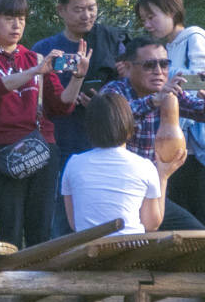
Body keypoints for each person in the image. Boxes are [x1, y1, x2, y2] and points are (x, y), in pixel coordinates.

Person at [0, 0, 83, 247]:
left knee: (41, 229)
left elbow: (62, 105)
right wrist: (34, 72)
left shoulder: (35, 58)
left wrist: (78, 77)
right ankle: (9, 286)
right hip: (3, 151)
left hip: (42, 147)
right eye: (9, 17)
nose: (17, 24)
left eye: (21, 18)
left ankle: (39, 286)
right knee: (7, 229)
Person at [97, 37, 205, 229]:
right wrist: (154, 100)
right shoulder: (114, 91)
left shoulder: (169, 92)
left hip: (153, 188)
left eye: (164, 64)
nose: (159, 71)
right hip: (118, 190)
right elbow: (115, 119)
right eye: (149, 65)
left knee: (194, 236)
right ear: (128, 67)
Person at [35, 0, 127, 233]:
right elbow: (38, 97)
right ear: (61, 10)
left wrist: (106, 101)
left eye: (91, 8)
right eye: (78, 9)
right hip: (63, 142)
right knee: (62, 217)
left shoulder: (114, 42)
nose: (86, 16)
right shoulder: (47, 48)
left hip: (105, 145)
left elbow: (130, 85)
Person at [135, 0, 205, 228]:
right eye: (144, 20)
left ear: (171, 11)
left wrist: (168, 78)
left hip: (191, 143)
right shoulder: (169, 45)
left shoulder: (193, 37)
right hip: (170, 140)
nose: (148, 25)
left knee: (200, 219)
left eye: (152, 16)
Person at [60, 92, 165, 236]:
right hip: (130, 250)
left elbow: (74, 224)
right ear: (128, 124)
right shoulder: (145, 167)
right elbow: (151, 224)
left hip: (88, 252)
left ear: (90, 126)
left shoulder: (73, 164)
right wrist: (163, 176)